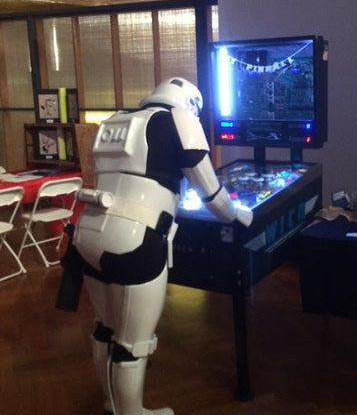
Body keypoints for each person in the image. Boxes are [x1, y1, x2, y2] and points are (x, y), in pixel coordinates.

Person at [72, 77, 253, 415]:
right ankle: (132, 412)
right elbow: (210, 192)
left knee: (104, 328)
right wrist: (237, 215)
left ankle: (112, 403)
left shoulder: (115, 120)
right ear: (191, 103)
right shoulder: (180, 119)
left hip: (89, 231)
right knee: (134, 341)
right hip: (136, 236)